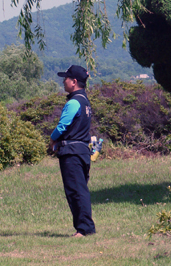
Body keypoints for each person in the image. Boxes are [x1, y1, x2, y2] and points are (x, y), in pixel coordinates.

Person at [49, 65, 96, 237]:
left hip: (72, 152)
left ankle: (84, 229)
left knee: (76, 191)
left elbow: (62, 126)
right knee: (81, 189)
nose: (63, 82)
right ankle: (85, 227)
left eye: (66, 79)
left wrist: (52, 138)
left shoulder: (73, 102)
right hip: (83, 151)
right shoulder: (85, 102)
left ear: (74, 82)